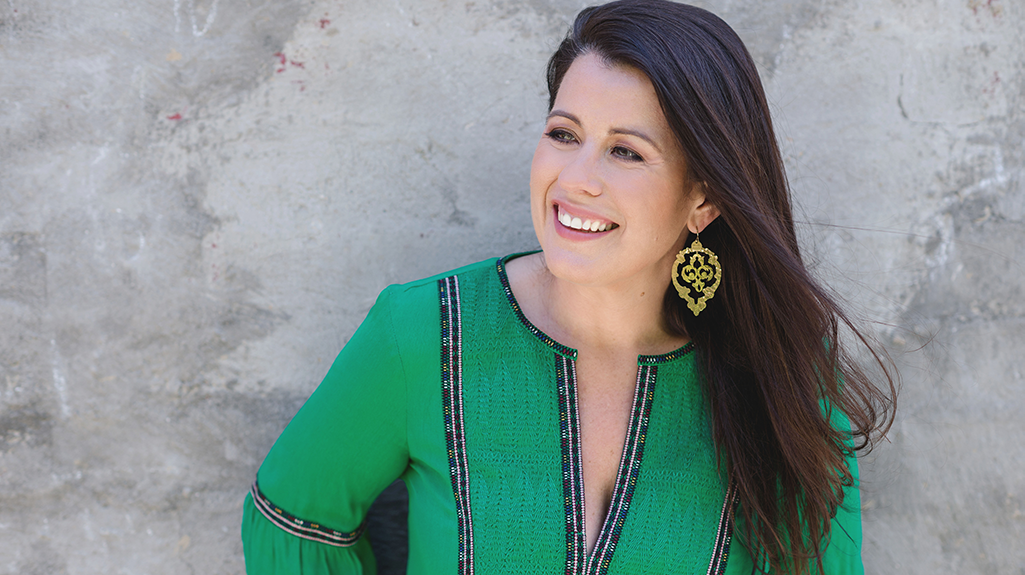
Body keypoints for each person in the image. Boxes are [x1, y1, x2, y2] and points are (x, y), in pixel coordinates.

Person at [241, 1, 896, 573]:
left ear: (703, 201)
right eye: (563, 133)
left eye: (626, 151)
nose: (574, 177)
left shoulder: (780, 382)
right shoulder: (423, 335)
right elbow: (292, 519)